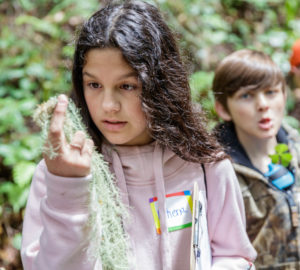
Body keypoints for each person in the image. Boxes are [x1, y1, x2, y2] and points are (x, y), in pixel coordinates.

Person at [21, 1, 256, 269]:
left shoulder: (207, 167)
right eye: (94, 84)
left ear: (161, 85)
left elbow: (235, 256)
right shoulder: (62, 173)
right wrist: (70, 190)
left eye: (127, 85)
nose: (109, 104)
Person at [212, 49, 300, 269]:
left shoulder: (296, 148)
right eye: (246, 96)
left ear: (284, 96)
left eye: (271, 92)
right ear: (223, 108)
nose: (262, 105)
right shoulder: (214, 171)